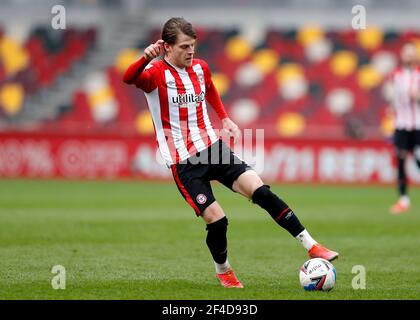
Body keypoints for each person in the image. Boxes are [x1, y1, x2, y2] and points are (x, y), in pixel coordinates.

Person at [123, 17, 338, 288]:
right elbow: (128, 77)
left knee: (260, 190)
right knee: (218, 221)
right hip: (185, 162)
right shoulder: (155, 73)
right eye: (185, 47)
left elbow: (210, 88)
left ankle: (312, 245)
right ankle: (223, 270)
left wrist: (224, 118)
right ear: (166, 47)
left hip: (213, 148)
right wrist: (144, 58)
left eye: (194, 46)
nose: (191, 52)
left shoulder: (200, 68)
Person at [389, 42, 420, 214]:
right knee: (400, 158)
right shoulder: (396, 75)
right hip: (401, 124)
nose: (408, 56)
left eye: (411, 53)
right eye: (406, 53)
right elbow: (394, 97)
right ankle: (403, 199)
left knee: (418, 157)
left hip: (418, 124)